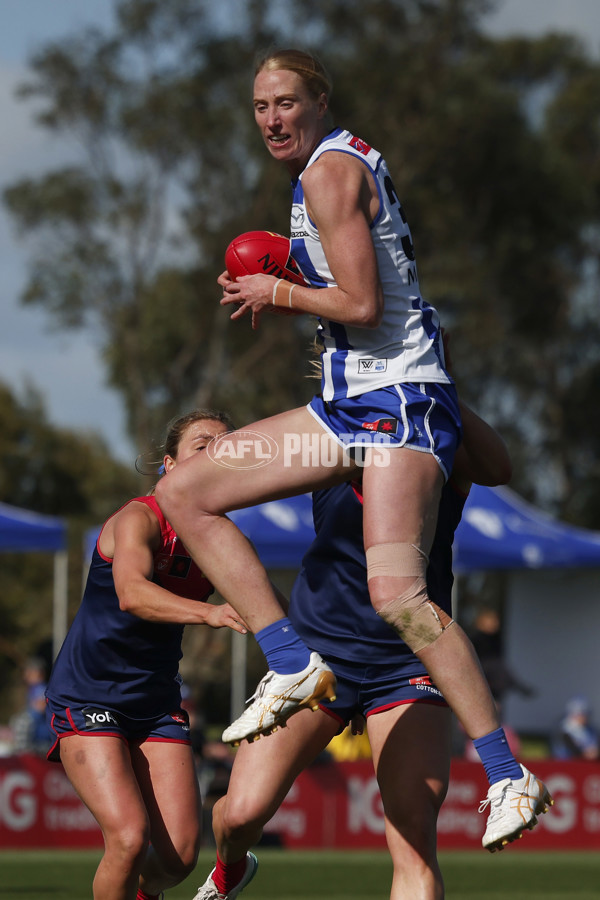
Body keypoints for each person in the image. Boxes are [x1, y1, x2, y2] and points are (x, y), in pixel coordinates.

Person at [156, 48, 547, 843]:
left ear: (320, 100)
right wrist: (293, 270)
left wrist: (280, 289)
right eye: (261, 105)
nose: (272, 117)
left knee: (398, 598)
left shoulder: (328, 175)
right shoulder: (329, 173)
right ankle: (292, 658)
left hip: (397, 403)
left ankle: (509, 773)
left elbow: (364, 303)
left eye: (287, 102)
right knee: (184, 490)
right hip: (352, 403)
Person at [192, 401, 551, 900]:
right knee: (241, 814)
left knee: (414, 830)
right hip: (318, 658)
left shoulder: (438, 437)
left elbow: (500, 468)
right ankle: (229, 870)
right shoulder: (324, 435)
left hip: (411, 663)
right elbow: (213, 492)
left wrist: (438, 386)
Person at [44, 410, 249, 900]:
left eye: (227, 446)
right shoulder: (137, 518)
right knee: (129, 839)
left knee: (177, 858)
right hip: (87, 696)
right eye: (203, 444)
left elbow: (269, 606)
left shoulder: (217, 536)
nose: (216, 453)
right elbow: (132, 593)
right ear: (169, 465)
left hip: (154, 704)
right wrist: (210, 614)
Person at [551, 695, 600, 760]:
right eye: (582, 714)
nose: (585, 717)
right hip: (567, 765)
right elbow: (571, 749)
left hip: (587, 765)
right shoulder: (564, 729)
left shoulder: (591, 730)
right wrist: (584, 753)